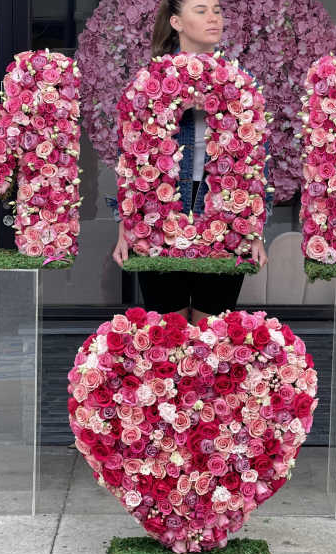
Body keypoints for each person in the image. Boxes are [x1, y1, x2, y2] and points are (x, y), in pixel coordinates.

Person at [110, 0, 273, 326]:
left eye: (217, 10)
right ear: (176, 22)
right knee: (167, 330)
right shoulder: (150, 82)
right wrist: (125, 228)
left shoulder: (240, 83)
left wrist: (255, 232)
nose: (213, 18)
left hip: (226, 214)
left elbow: (257, 164)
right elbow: (130, 160)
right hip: (160, 215)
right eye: (201, 10)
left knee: (211, 331)